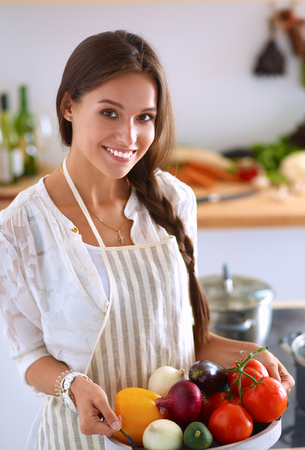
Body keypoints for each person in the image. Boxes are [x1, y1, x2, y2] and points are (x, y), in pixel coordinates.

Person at [0, 30, 294, 450]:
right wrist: (72, 384)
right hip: (80, 439)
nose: (128, 136)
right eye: (109, 113)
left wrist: (252, 357)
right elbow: (29, 356)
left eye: (144, 117)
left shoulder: (174, 200)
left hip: (174, 438)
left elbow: (188, 341)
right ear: (69, 106)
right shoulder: (19, 227)